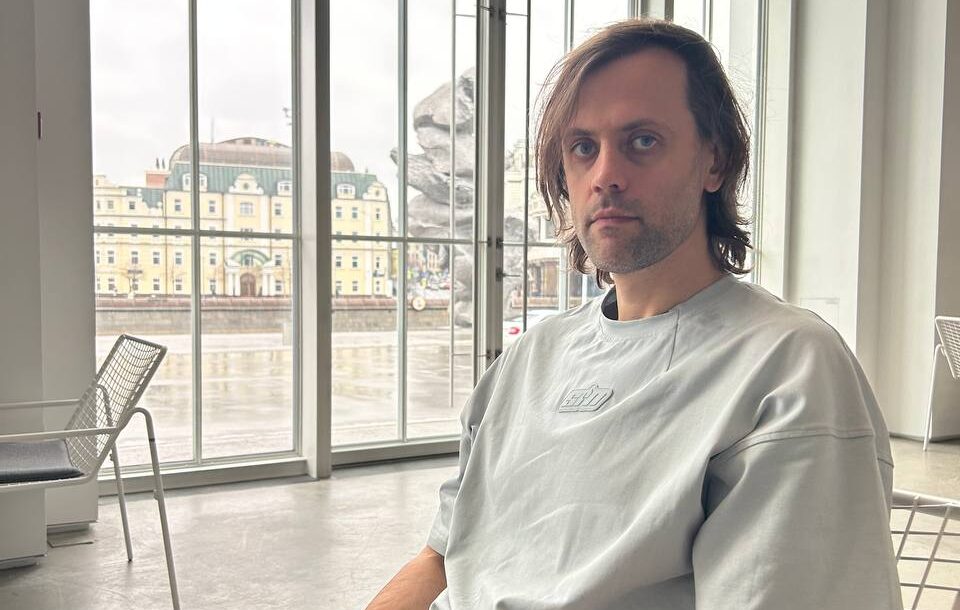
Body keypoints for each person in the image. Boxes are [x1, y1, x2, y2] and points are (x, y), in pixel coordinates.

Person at [366, 19, 901, 610]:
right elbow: (441, 557)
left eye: (642, 141)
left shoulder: (786, 370)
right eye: (583, 148)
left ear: (715, 161)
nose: (605, 177)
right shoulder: (528, 360)